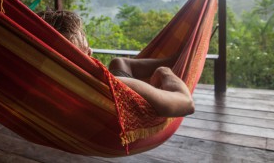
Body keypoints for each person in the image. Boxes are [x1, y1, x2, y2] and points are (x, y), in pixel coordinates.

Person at [37, 10, 194, 117]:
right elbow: (187, 104)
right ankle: (171, 63)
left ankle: (174, 59)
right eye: (85, 51)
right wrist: (164, 72)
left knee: (118, 62)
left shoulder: (40, 79)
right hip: (127, 100)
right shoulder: (116, 84)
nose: (91, 51)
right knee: (148, 67)